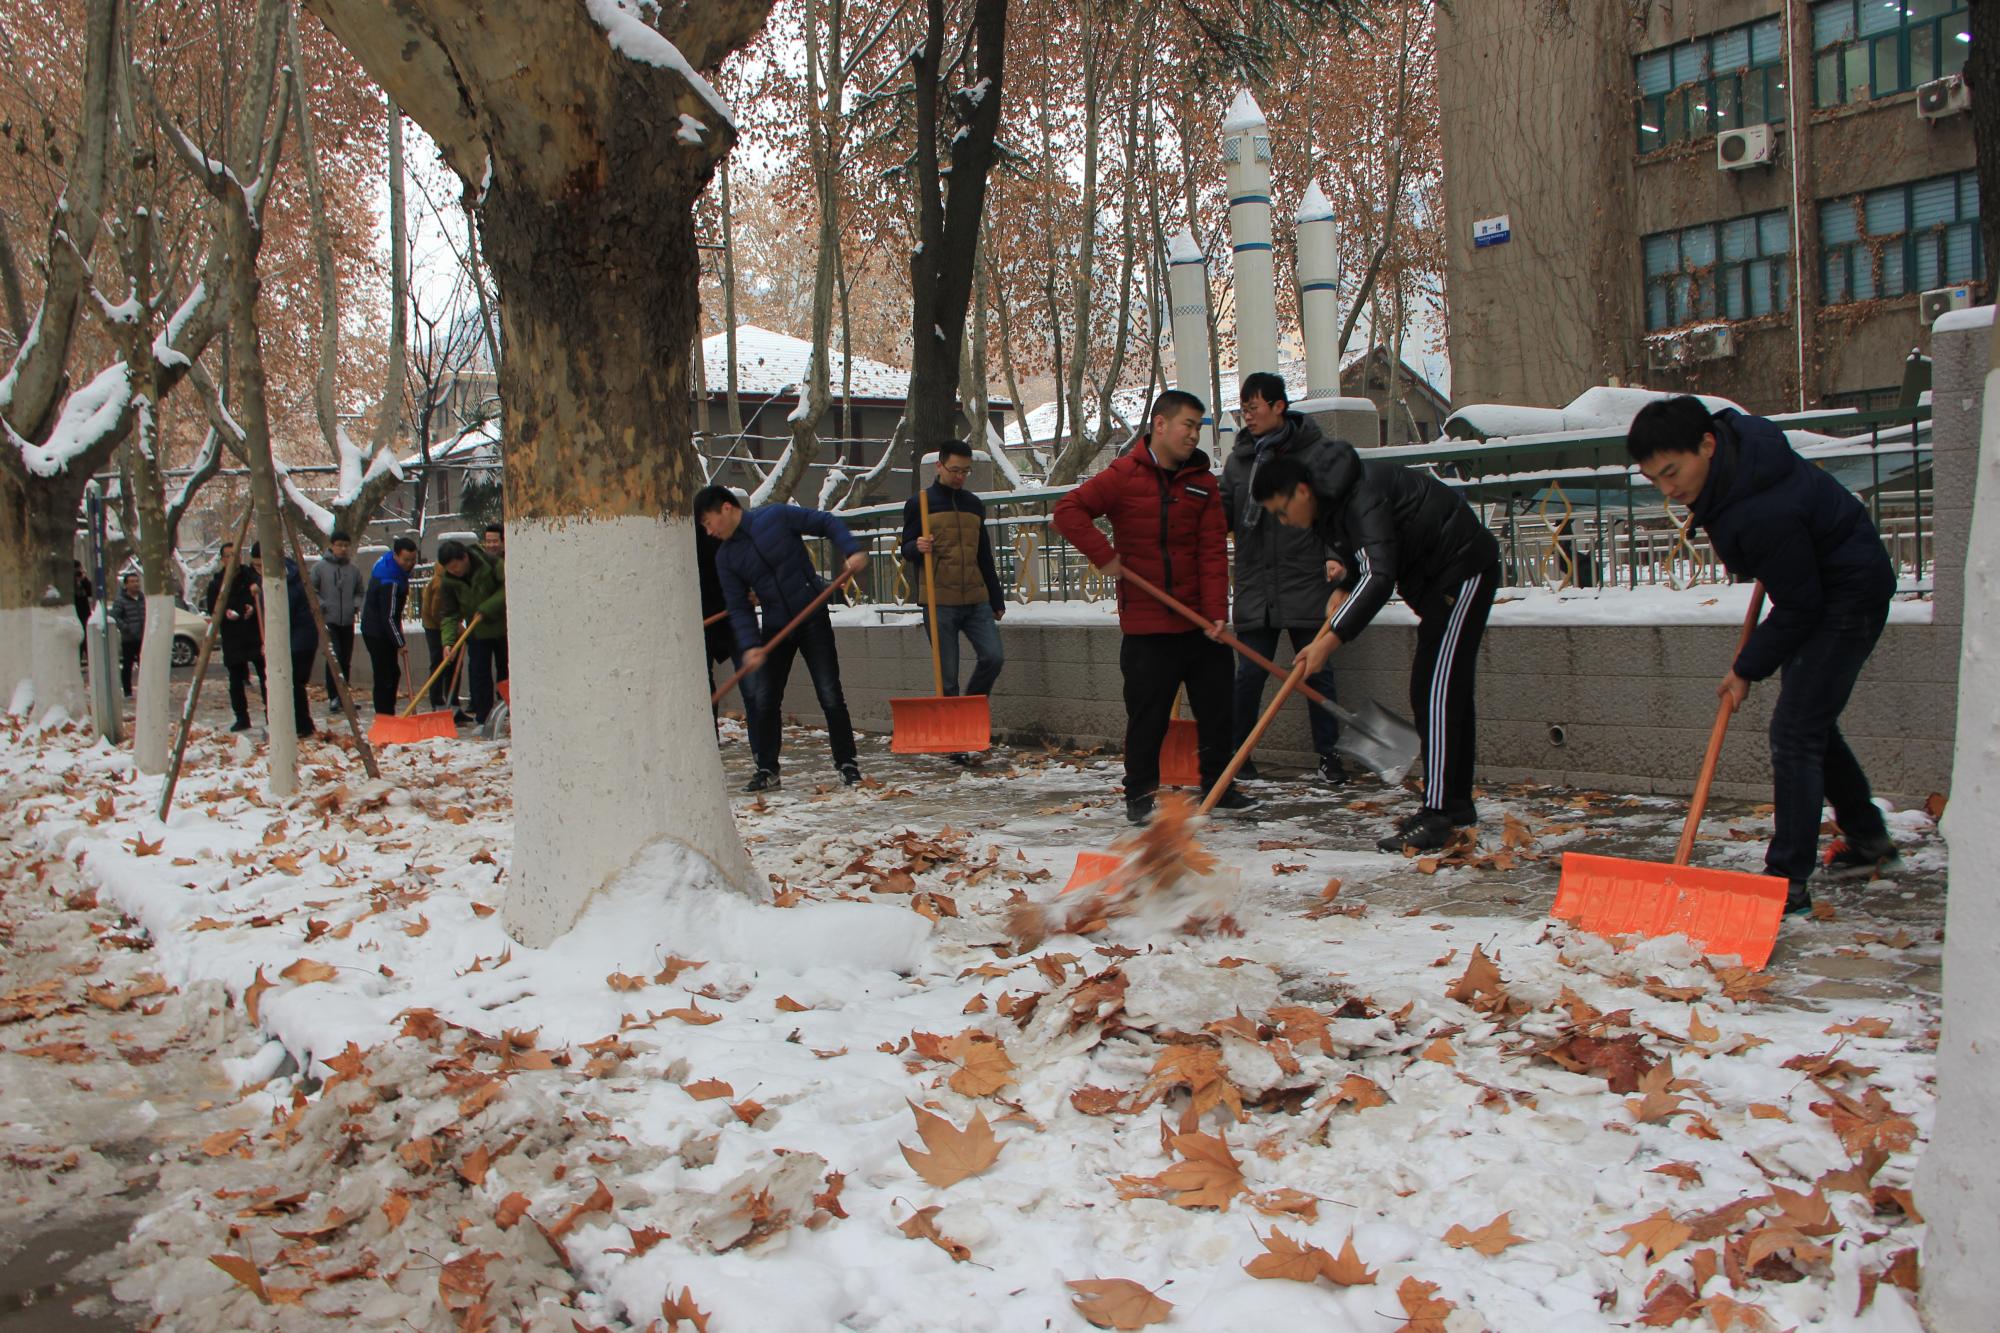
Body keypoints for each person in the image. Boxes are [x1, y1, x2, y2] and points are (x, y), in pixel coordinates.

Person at [1626, 396, 1900, 915]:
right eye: (1654, 479)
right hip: (1820, 587)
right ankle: (1867, 837)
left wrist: (1746, 669)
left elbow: (1800, 605)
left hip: (1848, 595)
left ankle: (1787, 882)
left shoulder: (1758, 507)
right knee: (1810, 721)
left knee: (1795, 731)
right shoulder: (1738, 470)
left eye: (1672, 472)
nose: (1667, 490)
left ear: (1707, 445)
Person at [1252, 449, 1501, 853]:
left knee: (1436, 692)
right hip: (1442, 578)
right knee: (1441, 691)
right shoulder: (1331, 501)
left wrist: (1329, 641)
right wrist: (1344, 586)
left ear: (1301, 491)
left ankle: (1438, 814)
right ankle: (1455, 806)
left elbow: (1380, 574)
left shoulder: (1359, 495)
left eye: (1282, 511)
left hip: (1462, 569)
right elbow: (1367, 552)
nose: (1284, 521)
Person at [1052, 390, 1255, 826]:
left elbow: (1212, 551)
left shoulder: (1203, 482)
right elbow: (1068, 511)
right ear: (1160, 424)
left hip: (1200, 623)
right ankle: (1140, 795)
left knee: (1218, 711)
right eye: (1188, 425)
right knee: (1148, 717)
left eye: (1198, 427)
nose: (1194, 435)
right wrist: (1104, 555)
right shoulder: (1124, 475)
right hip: (1148, 624)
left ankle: (1219, 787)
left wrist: (1216, 613)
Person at [1221, 371, 1356, 785]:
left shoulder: (1314, 454)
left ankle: (1329, 755)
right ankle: (1238, 756)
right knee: (1248, 674)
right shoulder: (1239, 461)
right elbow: (1222, 514)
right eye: (1243, 408)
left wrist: (1334, 556)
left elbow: (1336, 510)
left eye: (1254, 407)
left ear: (1279, 406)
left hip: (1305, 577)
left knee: (1316, 670)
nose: (1248, 416)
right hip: (1256, 584)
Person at [695, 485, 868, 792]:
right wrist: (750, 646)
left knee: (829, 693)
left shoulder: (776, 517)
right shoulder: (727, 557)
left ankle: (847, 763)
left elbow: (826, 522)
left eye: (709, 522)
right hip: (776, 624)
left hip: (812, 617)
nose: (709, 531)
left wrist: (851, 549)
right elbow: (739, 607)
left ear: (726, 508)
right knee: (765, 698)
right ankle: (767, 769)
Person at [898, 440, 1006, 741]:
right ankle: (955, 739)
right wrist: (917, 546)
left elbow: (983, 554)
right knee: (947, 678)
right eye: (955, 470)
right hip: (939, 601)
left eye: (965, 471)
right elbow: (906, 548)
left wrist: (996, 598)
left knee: (993, 657)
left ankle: (967, 712)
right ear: (940, 466)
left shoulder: (974, 504)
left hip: (976, 598)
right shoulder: (920, 503)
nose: (960, 476)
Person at [697, 522, 760, 743]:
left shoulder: (732, 529)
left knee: (752, 686)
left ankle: (762, 751)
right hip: (699, 618)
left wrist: (756, 587)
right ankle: (709, 743)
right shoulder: (685, 529)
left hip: (735, 615)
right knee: (702, 684)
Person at [433, 538, 507, 725]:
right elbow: (449, 614)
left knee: (506, 672)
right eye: (449, 568)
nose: (454, 571)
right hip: (477, 632)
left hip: (503, 628)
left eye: (456, 566)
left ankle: (512, 713)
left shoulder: (491, 563)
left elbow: (508, 587)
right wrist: (448, 643)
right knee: (479, 674)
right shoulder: (449, 582)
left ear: (465, 557)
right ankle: (483, 719)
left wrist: (487, 608)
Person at [205, 544, 265, 732]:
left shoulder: (251, 577)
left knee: (265, 675)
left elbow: (261, 597)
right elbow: (213, 608)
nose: (233, 559)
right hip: (233, 636)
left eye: (236, 554)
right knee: (236, 680)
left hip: (254, 633)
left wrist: (252, 607)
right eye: (229, 556)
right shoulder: (217, 583)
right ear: (223, 559)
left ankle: (271, 713)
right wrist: (226, 613)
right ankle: (241, 717)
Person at [360, 537, 418, 717]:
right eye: (406, 560)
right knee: (385, 676)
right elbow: (388, 616)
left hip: (382, 628)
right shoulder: (390, 580)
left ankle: (387, 713)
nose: (410, 564)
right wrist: (400, 642)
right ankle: (384, 716)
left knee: (392, 673)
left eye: (413, 559)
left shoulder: (391, 566)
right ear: (396, 556)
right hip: (377, 632)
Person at [310, 530, 362, 714]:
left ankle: (344, 696)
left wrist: (355, 605)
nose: (343, 549)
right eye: (339, 545)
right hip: (328, 620)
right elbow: (311, 590)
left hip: (347, 620)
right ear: (332, 546)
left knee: (345, 659)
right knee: (335, 656)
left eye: (346, 545)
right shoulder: (320, 568)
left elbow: (360, 591)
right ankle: (333, 696)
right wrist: (322, 605)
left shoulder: (353, 570)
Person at [279, 554, 318, 737]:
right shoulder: (296, 576)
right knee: (296, 683)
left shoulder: (286, 584)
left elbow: (283, 614)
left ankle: (302, 725)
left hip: (298, 640)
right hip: (303, 639)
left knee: (294, 683)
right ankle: (301, 723)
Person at [419, 566, 464, 717]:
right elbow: (437, 612)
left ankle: (453, 704)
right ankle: (437, 702)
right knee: (439, 663)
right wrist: (454, 629)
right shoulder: (440, 583)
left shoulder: (457, 578)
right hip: (435, 626)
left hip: (450, 624)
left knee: (454, 664)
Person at [481, 523, 509, 684]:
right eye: (488, 541)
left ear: (503, 541)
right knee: (481, 668)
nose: (491, 545)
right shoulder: (480, 563)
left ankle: (503, 695)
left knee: (504, 665)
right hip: (482, 623)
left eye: (495, 541)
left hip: (504, 624)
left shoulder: (509, 561)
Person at [111, 571, 145, 697]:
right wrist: (126, 628)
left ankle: (145, 688)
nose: (135, 584)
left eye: (137, 581)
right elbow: (115, 616)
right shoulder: (120, 600)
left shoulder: (142, 598)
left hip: (143, 637)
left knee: (144, 664)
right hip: (129, 638)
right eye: (132, 582)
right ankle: (127, 691)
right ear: (126, 585)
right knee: (127, 665)